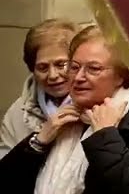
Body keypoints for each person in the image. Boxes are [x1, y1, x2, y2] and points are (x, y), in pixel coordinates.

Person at [0, 24, 129, 194]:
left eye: (93, 69)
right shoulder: (64, 116)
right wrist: (38, 143)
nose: (78, 77)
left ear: (121, 76)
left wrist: (105, 135)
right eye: (74, 67)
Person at [0, 19, 76, 157]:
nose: (52, 75)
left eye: (61, 64)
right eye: (42, 67)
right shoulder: (17, 114)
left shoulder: (98, 105)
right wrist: (37, 142)